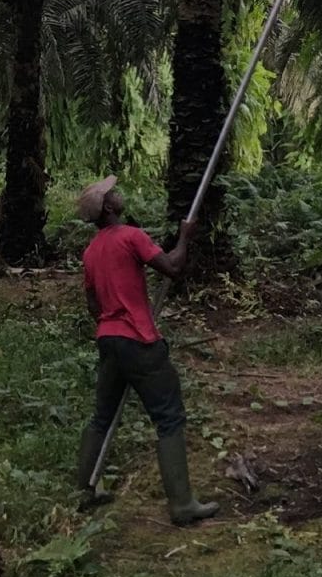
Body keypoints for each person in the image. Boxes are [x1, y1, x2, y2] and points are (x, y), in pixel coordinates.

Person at [71, 176, 220, 526]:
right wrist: (185, 236)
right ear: (108, 208)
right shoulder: (130, 236)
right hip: (139, 340)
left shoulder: (91, 252)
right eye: (112, 194)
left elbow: (92, 302)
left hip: (108, 340)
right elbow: (173, 267)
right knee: (169, 416)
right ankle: (182, 504)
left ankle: (83, 493)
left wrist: (112, 319)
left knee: (102, 417)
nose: (117, 195)